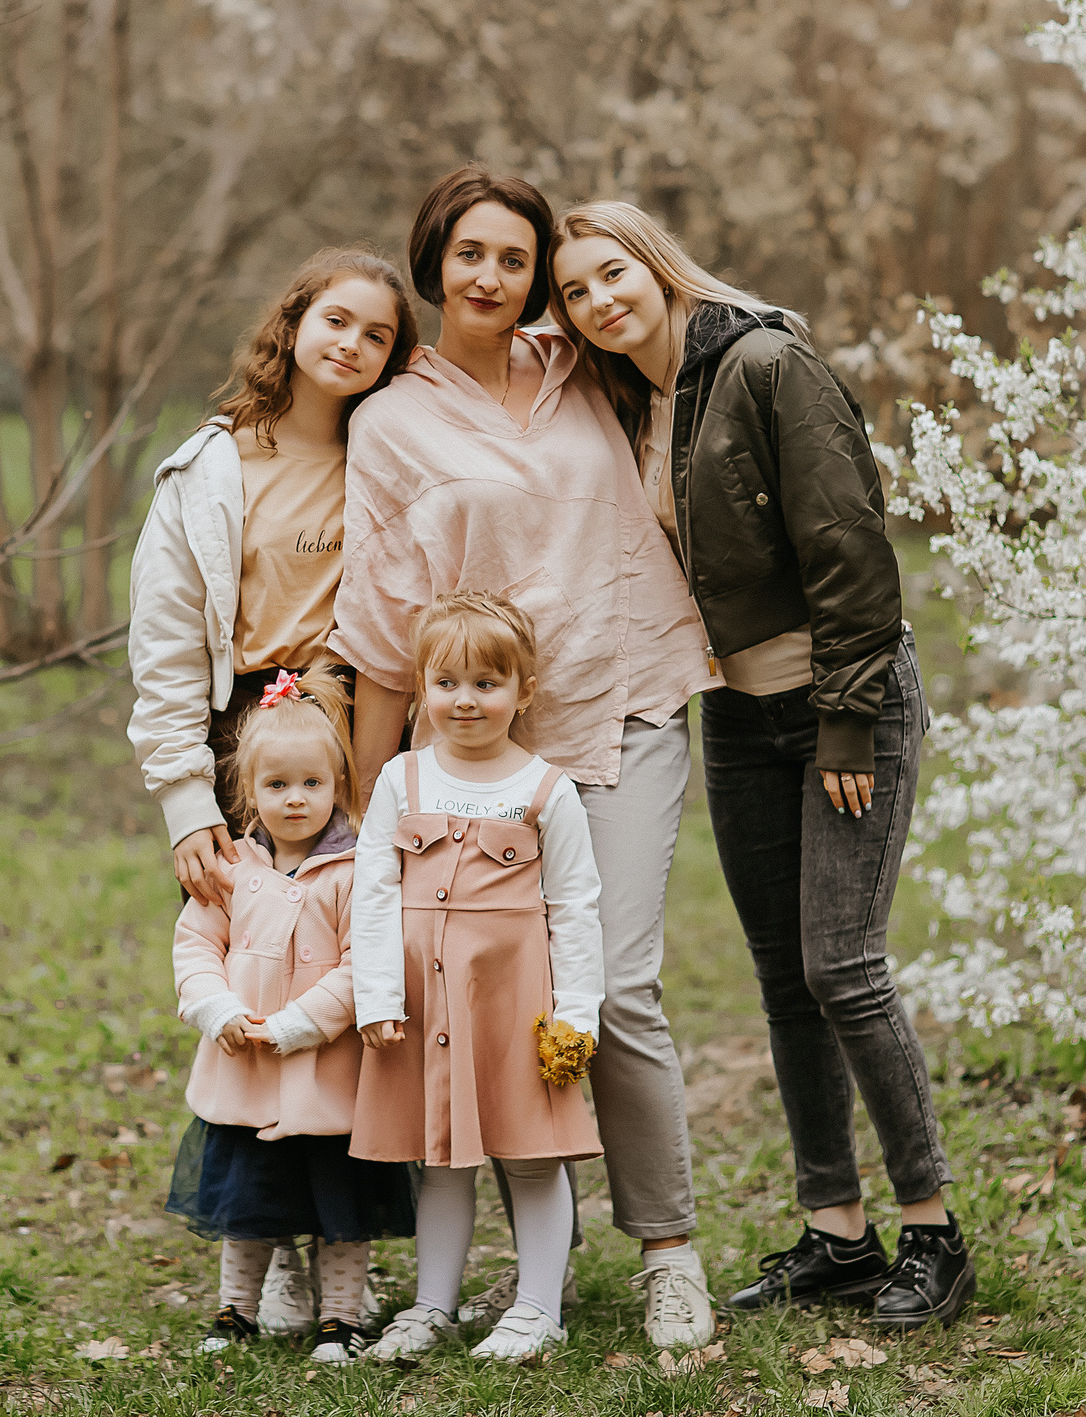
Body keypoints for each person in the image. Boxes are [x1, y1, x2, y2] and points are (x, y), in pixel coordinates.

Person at [550, 199, 977, 1332]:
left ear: (656, 264)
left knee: (845, 967)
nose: (598, 301)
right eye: (576, 292)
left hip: (845, 709)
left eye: (612, 275)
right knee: (785, 981)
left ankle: (933, 1229)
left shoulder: (767, 364)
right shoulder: (640, 400)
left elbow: (847, 541)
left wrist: (845, 717)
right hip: (738, 717)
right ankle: (836, 1235)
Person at [335, 165, 718, 1349]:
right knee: (493, 998)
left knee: (623, 985)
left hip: (625, 699)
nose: (493, 278)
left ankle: (668, 1252)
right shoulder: (392, 423)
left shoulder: (580, 362)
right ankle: (527, 1283)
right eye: (470, 257)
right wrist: (366, 811)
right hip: (479, 747)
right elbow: (382, 630)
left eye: (514, 259)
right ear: (432, 263)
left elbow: (686, 327)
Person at [128, 246, 418, 1334]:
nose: (351, 345)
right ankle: (271, 1246)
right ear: (294, 324)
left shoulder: (388, 453)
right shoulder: (209, 469)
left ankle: (353, 1239)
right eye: (335, 321)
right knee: (255, 977)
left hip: (368, 734)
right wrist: (184, 807)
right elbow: (162, 648)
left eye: (378, 334)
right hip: (248, 754)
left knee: (358, 985)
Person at [347, 594, 603, 1363]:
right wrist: (379, 994)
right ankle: (432, 1305)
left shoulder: (546, 789)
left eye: (487, 683)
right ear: (421, 686)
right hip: (424, 1006)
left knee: (529, 1152)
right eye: (447, 682)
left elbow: (576, 905)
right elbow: (374, 892)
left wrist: (577, 1015)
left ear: (524, 690)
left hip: (517, 1004)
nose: (465, 700)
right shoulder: (403, 778)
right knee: (442, 1155)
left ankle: (537, 1308)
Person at [165, 666, 416, 1364]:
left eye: (311, 783)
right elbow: (195, 944)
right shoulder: (231, 868)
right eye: (277, 786)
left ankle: (340, 1318)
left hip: (326, 1078)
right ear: (250, 793)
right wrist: (217, 1007)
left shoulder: (355, 871)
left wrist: (299, 1024)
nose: (296, 799)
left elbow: (362, 964)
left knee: (341, 1208)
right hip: (244, 1072)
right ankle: (236, 1310)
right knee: (247, 1205)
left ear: (339, 784)